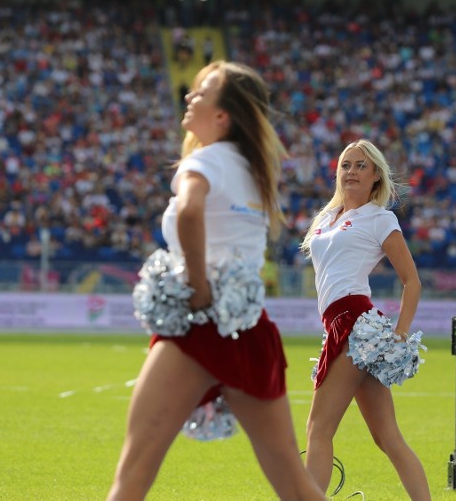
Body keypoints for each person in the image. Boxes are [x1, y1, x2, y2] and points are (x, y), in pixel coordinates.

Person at [108, 61, 325, 501]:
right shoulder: (254, 168)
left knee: (131, 478)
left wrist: (197, 289)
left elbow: (189, 212)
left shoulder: (205, 160)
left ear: (223, 115)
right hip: (250, 333)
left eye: (202, 91)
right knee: (296, 486)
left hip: (200, 331)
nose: (190, 95)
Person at [301, 139, 431, 500]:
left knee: (319, 429)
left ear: (376, 176)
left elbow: (412, 281)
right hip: (339, 325)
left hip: (355, 322)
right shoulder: (327, 218)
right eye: (345, 165)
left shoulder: (379, 217)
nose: (351, 171)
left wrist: (401, 335)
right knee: (386, 437)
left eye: (361, 165)